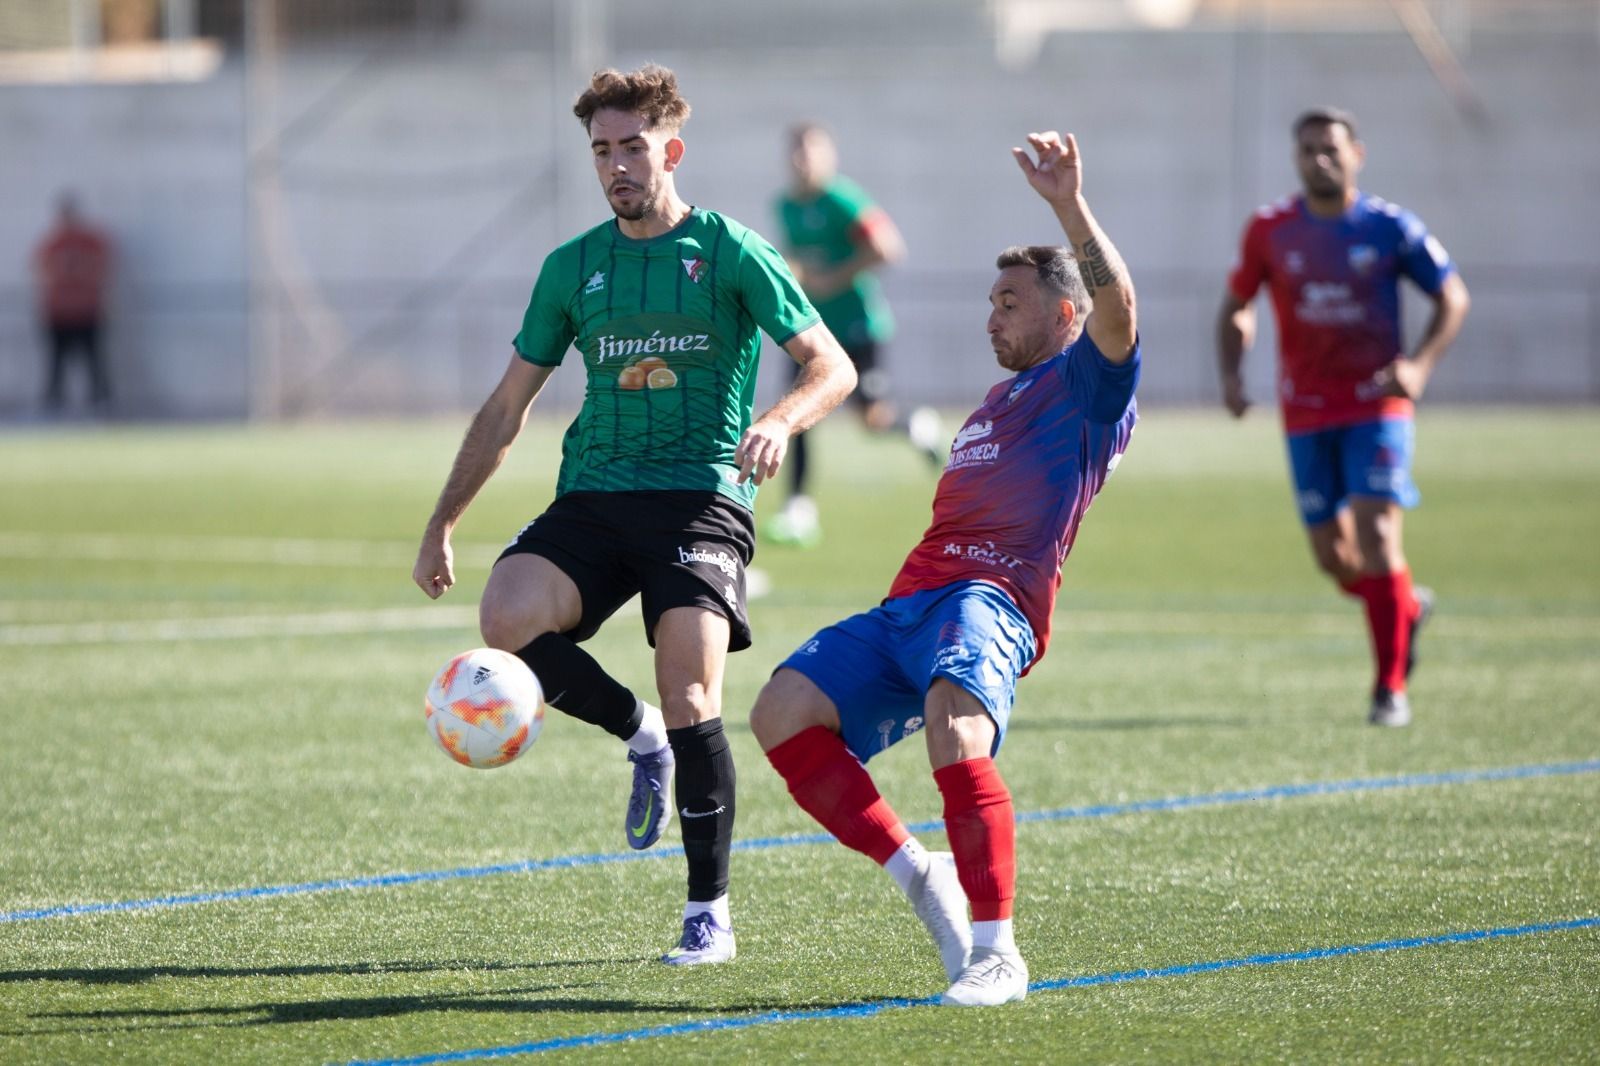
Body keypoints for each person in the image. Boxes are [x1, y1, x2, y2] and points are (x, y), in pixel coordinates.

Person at [412, 65, 856, 965]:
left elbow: (831, 365)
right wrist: (442, 523)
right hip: (596, 496)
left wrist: (776, 421)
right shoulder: (573, 268)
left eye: (633, 148)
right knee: (507, 614)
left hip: (701, 496)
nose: (617, 165)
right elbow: (506, 409)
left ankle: (708, 915)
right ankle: (637, 735)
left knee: (691, 689)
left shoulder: (731, 249)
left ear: (671, 150)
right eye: (602, 151)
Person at [750, 130, 1140, 1006]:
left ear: (1063, 317)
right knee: (780, 711)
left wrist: (1067, 206)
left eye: (1009, 301)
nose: (990, 315)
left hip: (989, 601)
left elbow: (1122, 313)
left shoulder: (1088, 386)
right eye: (990, 300)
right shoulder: (996, 402)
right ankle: (922, 874)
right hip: (911, 604)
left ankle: (999, 953)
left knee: (954, 725)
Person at [1217, 107, 1470, 727]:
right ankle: (1403, 606)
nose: (1318, 159)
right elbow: (1236, 305)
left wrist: (1418, 368)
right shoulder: (1270, 230)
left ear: (1358, 153)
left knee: (1380, 536)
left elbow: (1451, 296)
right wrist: (1232, 372)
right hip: (1304, 410)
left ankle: (1389, 689)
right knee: (1334, 557)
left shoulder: (1389, 229)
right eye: (1307, 149)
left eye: (1330, 148)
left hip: (1376, 403)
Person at [764, 122, 943, 548]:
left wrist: (832, 278)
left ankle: (916, 425)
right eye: (796, 151)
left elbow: (887, 247)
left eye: (811, 151)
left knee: (872, 418)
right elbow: (796, 257)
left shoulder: (843, 200)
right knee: (797, 411)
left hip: (859, 328)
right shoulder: (785, 204)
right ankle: (798, 510)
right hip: (810, 331)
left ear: (828, 156)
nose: (802, 160)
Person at [33, 192, 113, 413]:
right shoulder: (52, 243)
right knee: (56, 362)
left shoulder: (90, 241)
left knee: (94, 360)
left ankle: (101, 401)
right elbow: (44, 274)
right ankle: (53, 402)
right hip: (58, 312)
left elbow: (101, 270)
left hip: (87, 310)